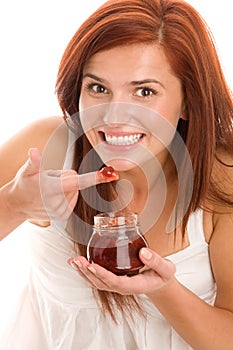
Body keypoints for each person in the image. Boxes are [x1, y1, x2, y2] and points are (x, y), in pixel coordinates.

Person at [0, 0, 233, 349]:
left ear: (188, 101)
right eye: (98, 88)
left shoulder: (222, 177)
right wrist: (13, 205)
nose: (114, 115)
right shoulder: (46, 149)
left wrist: (163, 290)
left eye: (144, 92)